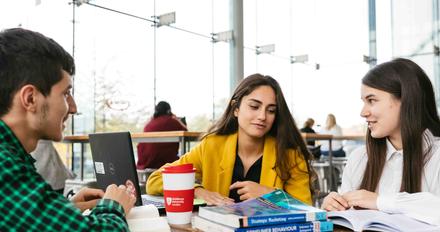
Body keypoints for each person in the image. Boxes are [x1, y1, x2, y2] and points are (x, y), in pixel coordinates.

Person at [0, 28, 136, 231]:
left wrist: (68, 208)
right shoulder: (5, 167)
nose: (73, 107)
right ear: (30, 98)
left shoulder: (10, 157)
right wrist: (114, 206)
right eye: (65, 94)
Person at [147, 74, 315, 206]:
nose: (262, 116)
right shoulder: (211, 146)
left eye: (271, 110)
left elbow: (307, 208)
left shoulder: (290, 155)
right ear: (236, 109)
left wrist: (270, 197)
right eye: (254, 107)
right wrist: (198, 192)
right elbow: (155, 180)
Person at [321, 58, 440, 226]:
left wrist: (379, 201)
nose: (363, 112)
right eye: (363, 102)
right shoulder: (359, 158)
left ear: (405, 100)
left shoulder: (437, 156)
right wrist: (333, 209)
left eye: (372, 100)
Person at [136, 101, 187, 169]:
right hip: (164, 161)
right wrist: (177, 120)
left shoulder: (150, 123)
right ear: (169, 111)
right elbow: (186, 131)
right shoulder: (172, 121)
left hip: (145, 162)